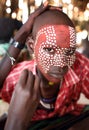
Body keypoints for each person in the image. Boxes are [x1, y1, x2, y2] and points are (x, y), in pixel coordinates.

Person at [0, 1, 89, 130]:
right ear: (31, 46)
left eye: (69, 51)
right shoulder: (17, 79)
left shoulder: (79, 66)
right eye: (49, 49)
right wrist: (16, 119)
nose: (61, 62)